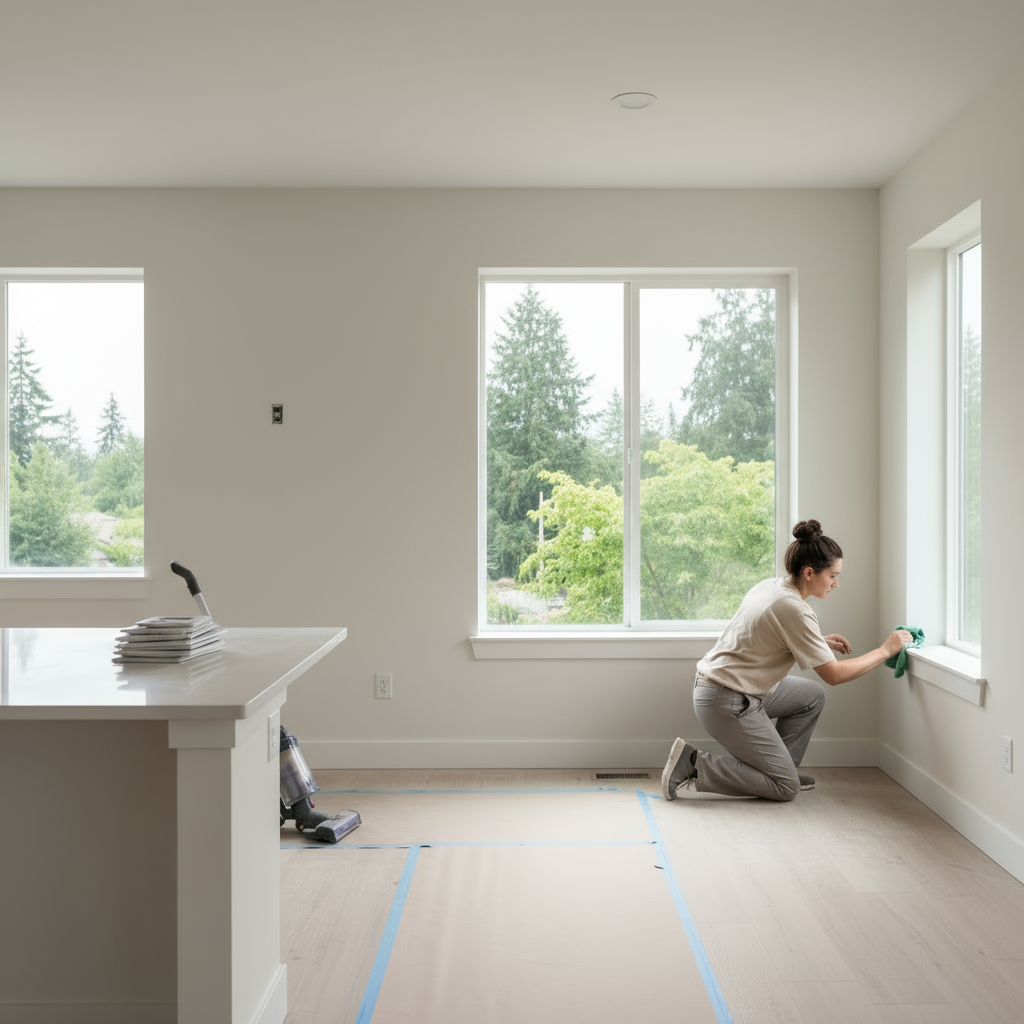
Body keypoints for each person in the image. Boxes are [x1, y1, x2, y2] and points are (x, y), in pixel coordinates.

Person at [661, 520, 912, 803]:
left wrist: (817, 642)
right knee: (785, 789)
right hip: (725, 700)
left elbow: (763, 636)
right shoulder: (795, 609)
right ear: (809, 573)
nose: (836, 583)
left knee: (811, 696)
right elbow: (834, 675)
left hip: (724, 688)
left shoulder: (772, 586)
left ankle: (780, 770)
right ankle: (694, 764)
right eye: (832, 576)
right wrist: (885, 650)